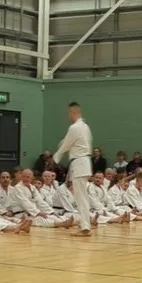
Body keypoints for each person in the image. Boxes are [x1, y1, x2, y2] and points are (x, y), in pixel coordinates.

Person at [52, 101, 97, 235]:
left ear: (74, 112)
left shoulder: (74, 128)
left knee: (80, 198)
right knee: (82, 197)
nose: (68, 116)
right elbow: (68, 142)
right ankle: (85, 225)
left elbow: (66, 144)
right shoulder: (85, 127)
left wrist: (55, 158)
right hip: (84, 163)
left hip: (79, 163)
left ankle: (85, 227)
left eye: (69, 113)